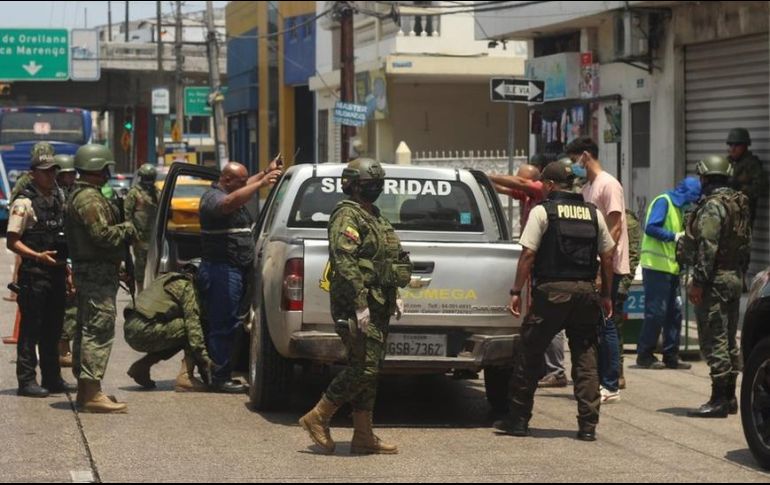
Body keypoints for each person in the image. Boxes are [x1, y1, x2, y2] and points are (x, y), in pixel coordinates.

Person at [493, 162, 615, 441]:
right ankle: (587, 426)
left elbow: (528, 255)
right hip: (586, 293)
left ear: (548, 185)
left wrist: (515, 290)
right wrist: (606, 294)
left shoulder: (542, 211)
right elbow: (608, 256)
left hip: (551, 293)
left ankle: (518, 420)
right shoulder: (593, 214)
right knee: (586, 358)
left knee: (529, 353)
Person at [299, 158, 412, 455]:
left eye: (378, 184)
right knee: (364, 368)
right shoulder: (347, 215)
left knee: (369, 370)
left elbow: (390, 256)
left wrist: (394, 290)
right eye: (368, 185)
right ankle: (318, 416)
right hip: (356, 305)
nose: (374, 189)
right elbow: (344, 260)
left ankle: (363, 435)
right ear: (351, 185)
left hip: (379, 302)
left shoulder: (375, 216)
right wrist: (360, 302)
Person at [198, 160, 282, 393]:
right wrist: (261, 183)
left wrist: (265, 172)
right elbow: (229, 202)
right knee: (222, 324)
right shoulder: (212, 198)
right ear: (225, 180)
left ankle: (222, 371)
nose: (246, 184)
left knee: (232, 322)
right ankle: (219, 376)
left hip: (235, 269)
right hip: (221, 270)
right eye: (241, 181)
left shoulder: (231, 188)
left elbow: (244, 186)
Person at [66, 144, 137, 413]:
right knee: (98, 331)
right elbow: (102, 235)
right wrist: (127, 228)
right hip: (95, 275)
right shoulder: (88, 199)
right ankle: (92, 394)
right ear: (97, 168)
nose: (108, 173)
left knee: (88, 330)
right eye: (105, 168)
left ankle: (87, 391)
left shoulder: (84, 195)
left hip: (95, 271)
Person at [6, 142, 76, 397]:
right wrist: (37, 256)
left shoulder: (58, 197)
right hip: (34, 276)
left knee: (54, 329)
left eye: (53, 171)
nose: (51, 175)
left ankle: (52, 377)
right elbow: (12, 241)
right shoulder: (24, 202)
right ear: (33, 172)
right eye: (45, 171)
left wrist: (66, 270)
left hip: (55, 273)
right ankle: (26, 381)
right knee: (30, 330)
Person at [683, 155, 751, 418]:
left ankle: (718, 399)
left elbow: (707, 247)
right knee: (729, 338)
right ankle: (731, 397)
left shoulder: (713, 206)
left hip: (715, 280)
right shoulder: (738, 202)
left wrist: (698, 281)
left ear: (707, 177)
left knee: (715, 340)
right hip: (734, 278)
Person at [491, 161, 568, 388]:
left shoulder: (537, 189)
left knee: (550, 316)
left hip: (545, 262)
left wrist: (489, 174)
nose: (518, 181)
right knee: (537, 315)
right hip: (537, 262)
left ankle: (556, 370)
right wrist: (486, 182)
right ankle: (543, 367)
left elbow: (520, 183)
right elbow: (506, 189)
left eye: (522, 178)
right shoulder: (527, 196)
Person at [565, 137, 629, 404]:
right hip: (593, 265)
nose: (573, 165)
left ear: (586, 155)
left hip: (609, 266)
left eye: (574, 159)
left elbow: (614, 228)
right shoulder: (588, 187)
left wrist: (603, 269)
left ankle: (611, 384)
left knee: (607, 324)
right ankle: (601, 379)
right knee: (597, 325)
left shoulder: (608, 184)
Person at [637, 178, 702, 370]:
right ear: (686, 193)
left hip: (672, 268)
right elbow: (650, 228)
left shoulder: (680, 208)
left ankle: (671, 355)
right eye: (692, 197)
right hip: (656, 267)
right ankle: (645, 355)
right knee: (656, 313)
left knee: (674, 313)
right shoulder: (663, 201)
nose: (692, 202)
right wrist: (674, 236)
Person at [124, 263, 212, 392]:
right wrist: (205, 359)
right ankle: (186, 377)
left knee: (175, 335)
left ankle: (142, 367)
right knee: (194, 329)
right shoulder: (187, 286)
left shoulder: (167, 278)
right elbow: (193, 326)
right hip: (146, 329)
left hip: (131, 329)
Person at [54, 154, 78, 368]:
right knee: (66, 305)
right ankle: (62, 349)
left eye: (73, 173)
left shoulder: (74, 193)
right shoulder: (55, 195)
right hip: (60, 253)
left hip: (74, 251)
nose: (70, 177)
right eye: (66, 174)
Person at [615, 209, 641, 389]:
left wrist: (623, 285)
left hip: (615, 283)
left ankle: (617, 373)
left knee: (613, 331)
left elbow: (633, 255)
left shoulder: (627, 219)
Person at [124, 163, 159, 292]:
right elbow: (127, 214)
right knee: (140, 264)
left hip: (154, 236)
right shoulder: (134, 193)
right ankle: (140, 290)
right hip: (140, 236)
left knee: (154, 264)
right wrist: (131, 233)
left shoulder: (156, 192)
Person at [725, 128, 768, 227]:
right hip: (726, 211)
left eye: (737, 145)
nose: (733, 148)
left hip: (743, 213)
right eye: (731, 145)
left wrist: (741, 188)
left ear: (745, 146)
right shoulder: (726, 163)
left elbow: (761, 187)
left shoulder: (752, 164)